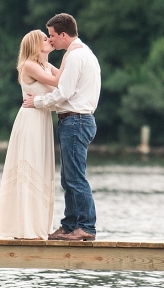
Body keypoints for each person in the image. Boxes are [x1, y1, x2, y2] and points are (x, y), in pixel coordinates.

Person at [0, 30, 79, 240]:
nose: (49, 40)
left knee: (41, 170)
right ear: (34, 44)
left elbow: (63, 77)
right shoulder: (29, 65)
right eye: (44, 38)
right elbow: (58, 82)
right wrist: (70, 52)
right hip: (30, 121)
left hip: (43, 121)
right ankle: (24, 227)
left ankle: (38, 226)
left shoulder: (45, 66)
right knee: (29, 167)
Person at [23, 13, 101, 241]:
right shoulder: (85, 54)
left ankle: (86, 227)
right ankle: (69, 225)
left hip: (76, 120)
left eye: (52, 35)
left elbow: (63, 92)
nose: (51, 40)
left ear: (63, 35)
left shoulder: (76, 57)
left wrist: (36, 102)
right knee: (69, 177)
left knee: (75, 177)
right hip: (77, 120)